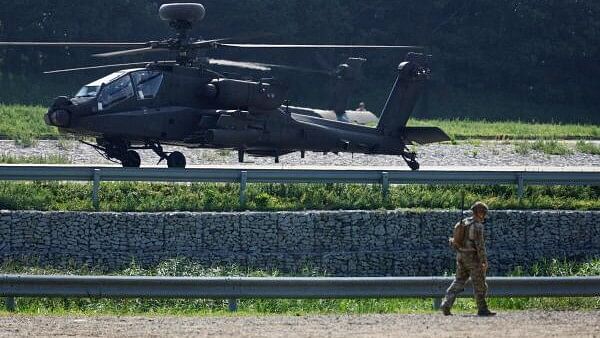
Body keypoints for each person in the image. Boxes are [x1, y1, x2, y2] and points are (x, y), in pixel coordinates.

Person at [441, 201, 496, 316]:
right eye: (484, 213)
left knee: (459, 281)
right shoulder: (477, 226)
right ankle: (482, 309)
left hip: (461, 255)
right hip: (472, 258)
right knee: (480, 283)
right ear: (480, 213)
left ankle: (446, 304)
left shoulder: (465, 222)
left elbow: (456, 240)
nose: (485, 215)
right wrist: (484, 261)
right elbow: (480, 246)